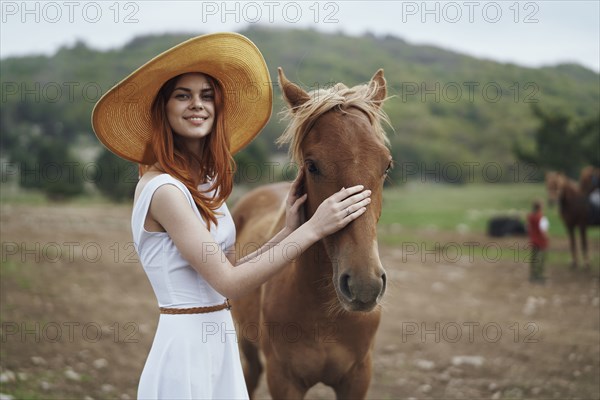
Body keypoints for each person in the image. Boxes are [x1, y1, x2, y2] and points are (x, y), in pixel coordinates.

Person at [91, 33, 372, 399]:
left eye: (207, 95)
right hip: (186, 350)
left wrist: (289, 230)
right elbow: (229, 284)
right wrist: (314, 229)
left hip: (216, 338)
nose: (198, 105)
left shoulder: (202, 186)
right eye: (183, 95)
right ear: (163, 108)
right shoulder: (164, 191)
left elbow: (233, 267)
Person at [527, 200, 549, 283]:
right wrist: (546, 238)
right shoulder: (541, 217)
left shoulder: (530, 216)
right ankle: (539, 275)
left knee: (533, 258)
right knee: (541, 259)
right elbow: (543, 230)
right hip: (540, 241)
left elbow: (528, 228)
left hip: (533, 240)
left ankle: (532, 275)